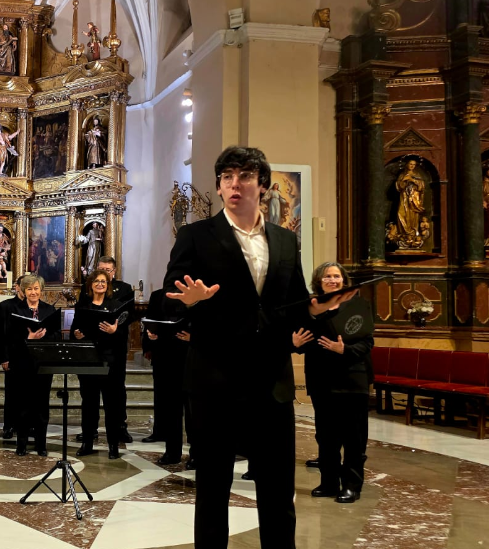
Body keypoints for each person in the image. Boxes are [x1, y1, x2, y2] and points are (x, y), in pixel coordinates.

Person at [163, 145, 353, 547]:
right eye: (227, 177)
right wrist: (190, 299)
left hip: (272, 382)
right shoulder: (196, 235)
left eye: (245, 176)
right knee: (213, 488)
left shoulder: (285, 240)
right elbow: (170, 291)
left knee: (278, 489)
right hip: (215, 379)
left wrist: (320, 308)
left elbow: (295, 303)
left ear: (262, 187)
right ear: (218, 187)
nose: (235, 184)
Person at [293, 262, 374, 504]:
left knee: (354, 437)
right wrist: (295, 343)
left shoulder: (358, 305)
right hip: (322, 378)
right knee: (326, 436)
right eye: (327, 276)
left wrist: (344, 349)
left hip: (352, 378)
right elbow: (303, 338)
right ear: (318, 281)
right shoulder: (311, 308)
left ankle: (351, 485)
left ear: (343, 280)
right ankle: (328, 482)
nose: (332, 280)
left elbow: (367, 342)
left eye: (336, 276)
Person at [2, 275, 60, 456]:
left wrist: (45, 337)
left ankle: (41, 444)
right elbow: (8, 338)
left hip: (43, 364)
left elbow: (57, 336)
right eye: (29, 289)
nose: (33, 292)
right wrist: (28, 339)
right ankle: (22, 444)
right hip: (22, 363)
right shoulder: (16, 310)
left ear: (41, 290)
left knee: (41, 405)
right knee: (22, 405)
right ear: (23, 291)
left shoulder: (49, 310)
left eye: (36, 288)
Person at [72, 269, 124, 459]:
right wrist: (76, 334)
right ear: (91, 285)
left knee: (111, 405)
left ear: (108, 285)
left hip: (109, 361)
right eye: (96, 281)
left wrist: (113, 331)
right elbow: (74, 330)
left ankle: (113, 445)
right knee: (89, 404)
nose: (100, 284)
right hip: (88, 360)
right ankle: (87, 442)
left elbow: (122, 336)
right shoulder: (82, 306)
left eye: (103, 281)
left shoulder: (115, 305)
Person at [141, 288, 194, 469]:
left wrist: (194, 337)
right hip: (165, 357)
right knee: (171, 408)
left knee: (193, 410)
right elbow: (150, 320)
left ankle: (195, 454)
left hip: (189, 358)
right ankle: (172, 452)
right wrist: (150, 335)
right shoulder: (158, 295)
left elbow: (208, 322)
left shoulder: (197, 293)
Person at [96, 256, 135, 444]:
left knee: (118, 388)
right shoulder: (91, 287)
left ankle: (121, 427)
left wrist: (116, 328)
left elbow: (129, 314)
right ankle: (91, 428)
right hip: (95, 345)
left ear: (114, 271)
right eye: (101, 269)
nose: (104, 272)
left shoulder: (125, 289)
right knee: (93, 390)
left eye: (108, 270)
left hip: (116, 344)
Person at [0, 275, 25, 439]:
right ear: (17, 287)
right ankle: (9, 425)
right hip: (12, 356)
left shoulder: (34, 306)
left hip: (30, 357)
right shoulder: (5, 306)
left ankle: (28, 425)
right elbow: (1, 334)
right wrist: (4, 358)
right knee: (12, 393)